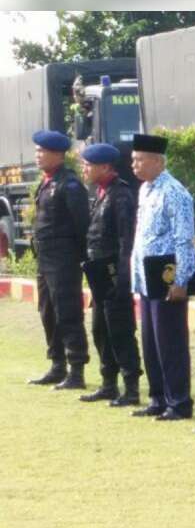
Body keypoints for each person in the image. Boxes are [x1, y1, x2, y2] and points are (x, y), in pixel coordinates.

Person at [129, 134, 195, 421]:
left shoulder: (174, 192)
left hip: (167, 276)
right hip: (146, 277)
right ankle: (157, 397)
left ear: (157, 161)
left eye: (139, 160)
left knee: (170, 342)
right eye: (133, 160)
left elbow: (184, 240)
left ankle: (178, 401)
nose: (134, 165)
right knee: (151, 341)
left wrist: (181, 280)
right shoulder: (146, 190)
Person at [78, 143, 142, 406]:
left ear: (105, 167)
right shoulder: (100, 192)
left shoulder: (121, 195)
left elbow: (126, 241)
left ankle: (131, 388)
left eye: (88, 165)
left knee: (120, 329)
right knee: (100, 329)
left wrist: (124, 279)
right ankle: (108, 383)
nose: (84, 169)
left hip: (114, 272)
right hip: (99, 273)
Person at [27, 130, 90, 390]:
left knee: (68, 313)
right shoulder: (48, 181)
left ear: (57, 154)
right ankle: (57, 364)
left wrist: (78, 258)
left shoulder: (70, 184)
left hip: (63, 260)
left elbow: (81, 225)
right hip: (46, 259)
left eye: (42, 151)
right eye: (37, 150)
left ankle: (76, 370)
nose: (37, 155)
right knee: (48, 311)